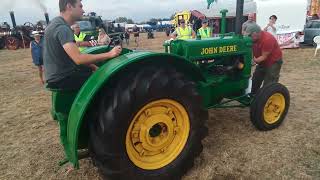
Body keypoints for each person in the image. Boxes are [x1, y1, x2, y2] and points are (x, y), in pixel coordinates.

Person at [43, 0, 122, 90]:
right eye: (80, 6)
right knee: (109, 82)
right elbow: (78, 59)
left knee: (94, 72)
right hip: (63, 78)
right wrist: (110, 54)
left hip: (58, 76)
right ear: (69, 6)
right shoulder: (62, 28)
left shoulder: (54, 24)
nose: (83, 11)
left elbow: (68, 56)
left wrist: (93, 66)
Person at [245, 23, 283, 95]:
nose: (248, 37)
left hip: (273, 62)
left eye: (250, 35)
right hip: (262, 61)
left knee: (269, 83)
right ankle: (253, 95)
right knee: (256, 78)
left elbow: (263, 57)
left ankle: (267, 98)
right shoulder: (253, 39)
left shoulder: (267, 39)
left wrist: (252, 62)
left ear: (256, 33)